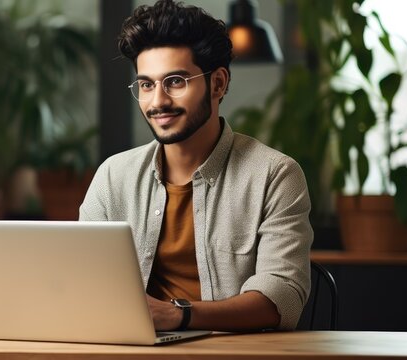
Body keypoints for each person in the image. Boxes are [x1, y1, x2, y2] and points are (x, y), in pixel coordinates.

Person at [79, 0, 312, 332]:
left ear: (217, 84)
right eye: (146, 84)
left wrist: (179, 314)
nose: (158, 101)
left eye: (175, 81)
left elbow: (281, 298)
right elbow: (83, 280)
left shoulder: (275, 175)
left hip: (237, 355)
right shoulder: (113, 176)